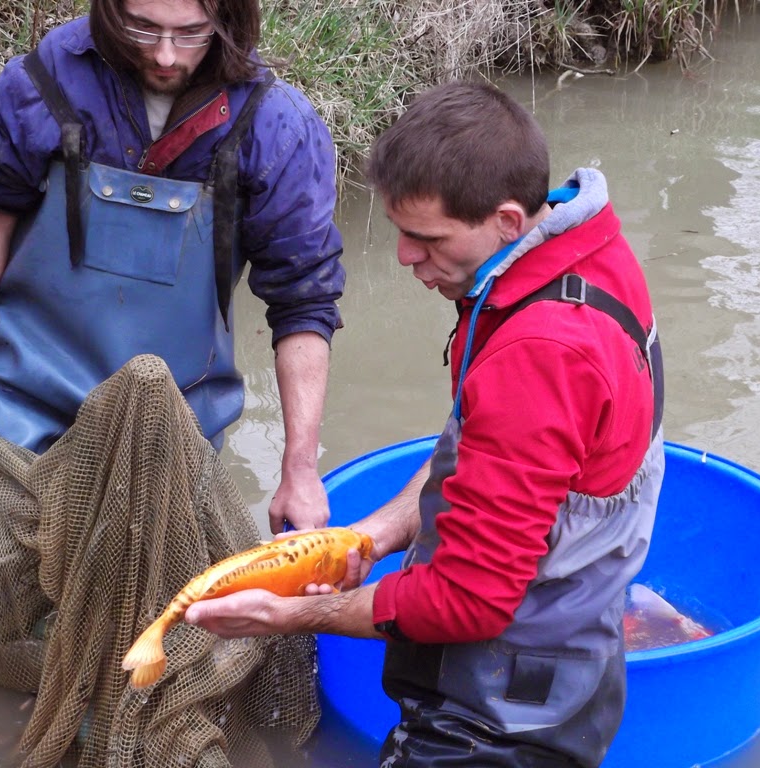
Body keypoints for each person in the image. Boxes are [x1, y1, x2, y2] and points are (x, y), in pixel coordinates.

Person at [184, 80, 666, 767]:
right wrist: (371, 536)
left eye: (425, 237)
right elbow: (475, 444)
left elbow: (469, 601)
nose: (406, 256)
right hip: (571, 674)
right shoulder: (583, 255)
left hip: (497, 720)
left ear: (505, 218)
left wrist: (292, 616)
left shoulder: (543, 351)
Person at [0, 0, 345, 531]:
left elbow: (303, 302)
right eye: (143, 28)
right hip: (17, 399)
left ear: (228, 23)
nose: (166, 55)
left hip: (173, 426)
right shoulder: (51, 76)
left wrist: (300, 467)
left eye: (191, 33)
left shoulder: (274, 123)